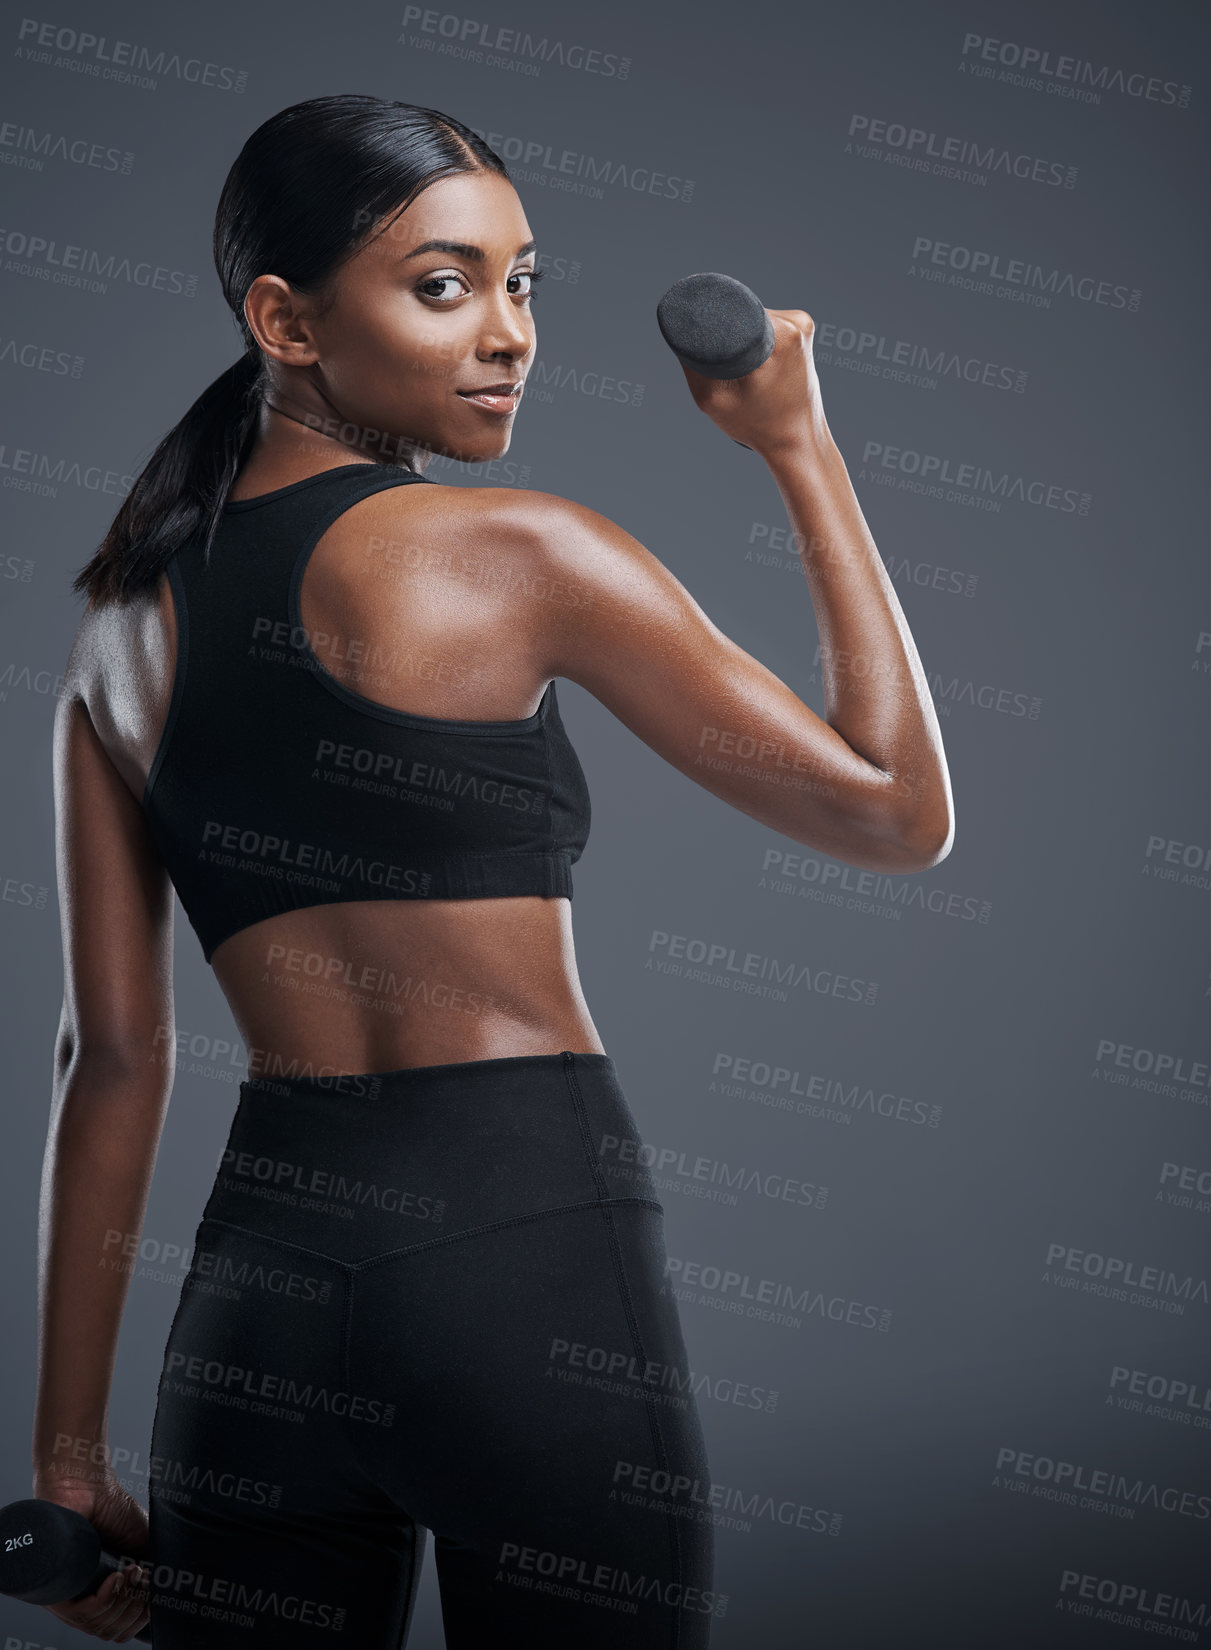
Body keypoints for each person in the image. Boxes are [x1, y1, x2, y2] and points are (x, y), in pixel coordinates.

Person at [32, 93, 953, 1646]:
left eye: (523, 283)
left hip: (258, 1300)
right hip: (522, 1266)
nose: (508, 333)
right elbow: (894, 809)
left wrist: (64, 1462)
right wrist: (799, 448)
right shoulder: (518, 551)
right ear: (286, 316)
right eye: (444, 285)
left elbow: (109, 1057)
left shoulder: (117, 632)